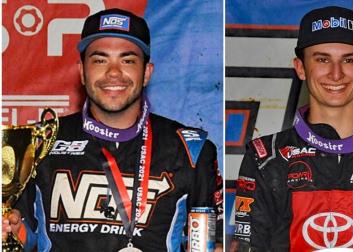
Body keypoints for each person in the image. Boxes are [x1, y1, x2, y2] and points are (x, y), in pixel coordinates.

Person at [2, 8, 223, 251]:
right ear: (82, 72)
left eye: (127, 60)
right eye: (100, 60)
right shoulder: (41, 142)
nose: (114, 72)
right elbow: (26, 234)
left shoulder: (190, 149)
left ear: (147, 73)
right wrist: (12, 231)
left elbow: (208, 243)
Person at [231, 6, 353, 252]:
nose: (336, 74)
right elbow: (246, 246)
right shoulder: (265, 157)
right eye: (322, 59)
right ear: (300, 68)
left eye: (348, 60)